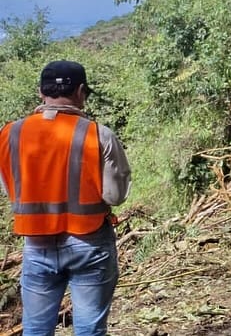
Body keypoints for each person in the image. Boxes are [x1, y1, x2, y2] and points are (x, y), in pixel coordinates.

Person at [0, 61, 132, 336]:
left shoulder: (10, 134)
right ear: (81, 91)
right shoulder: (99, 135)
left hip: (36, 245)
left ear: (40, 93)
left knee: (35, 329)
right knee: (89, 329)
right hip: (90, 243)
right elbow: (115, 195)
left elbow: (9, 187)